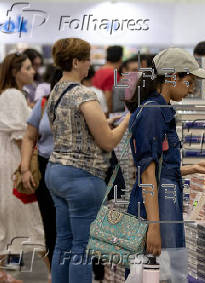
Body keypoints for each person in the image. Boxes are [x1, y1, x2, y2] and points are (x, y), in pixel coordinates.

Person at [125, 48, 205, 283]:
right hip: (157, 208)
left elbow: (160, 169)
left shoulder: (160, 110)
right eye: (189, 82)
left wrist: (193, 169)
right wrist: (154, 226)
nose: (192, 90)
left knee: (166, 274)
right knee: (158, 275)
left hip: (163, 204)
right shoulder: (152, 112)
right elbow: (148, 174)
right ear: (171, 78)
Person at [44, 38, 130, 283]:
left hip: (56, 172)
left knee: (63, 243)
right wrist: (127, 118)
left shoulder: (55, 92)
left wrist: (104, 125)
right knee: (82, 248)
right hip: (82, 177)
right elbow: (108, 142)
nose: (89, 65)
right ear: (75, 62)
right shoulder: (84, 94)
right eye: (87, 59)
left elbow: (67, 131)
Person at [0, 52, 45, 283]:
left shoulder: (15, 95)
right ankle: (53, 273)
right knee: (26, 212)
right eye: (28, 68)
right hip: (12, 158)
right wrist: (26, 166)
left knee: (6, 212)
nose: (33, 72)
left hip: (10, 157)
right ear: (14, 71)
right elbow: (21, 134)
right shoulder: (12, 95)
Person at [20, 67, 62, 283]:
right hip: (46, 168)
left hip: (76, 170)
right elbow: (29, 136)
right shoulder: (43, 104)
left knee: (75, 225)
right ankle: (56, 274)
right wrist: (26, 168)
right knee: (50, 224)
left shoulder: (85, 102)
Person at [92, 45, 123, 114]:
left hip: (95, 107)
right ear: (121, 58)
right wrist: (109, 114)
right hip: (104, 111)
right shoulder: (113, 73)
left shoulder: (99, 71)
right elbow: (108, 96)